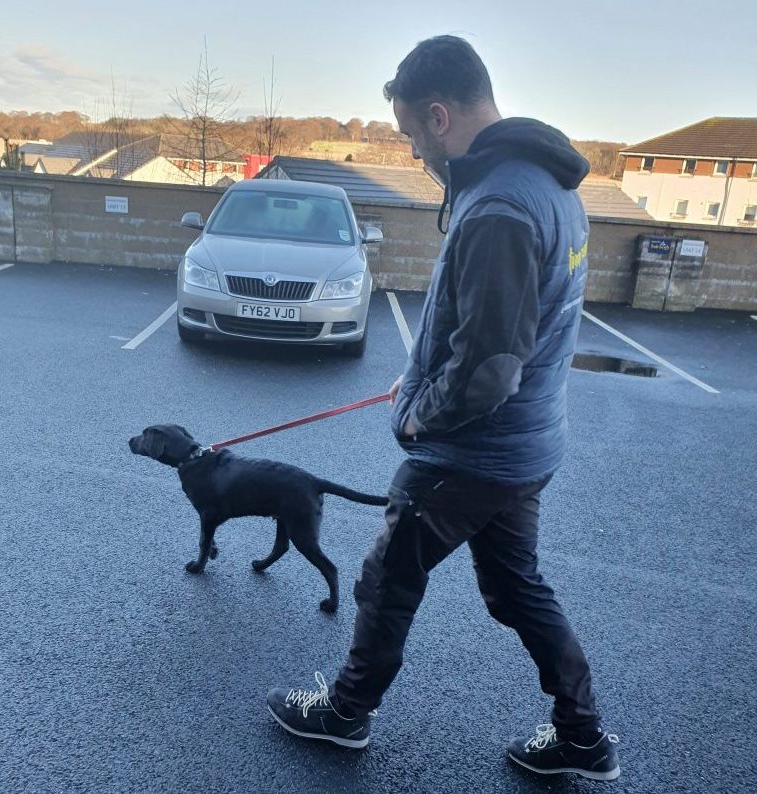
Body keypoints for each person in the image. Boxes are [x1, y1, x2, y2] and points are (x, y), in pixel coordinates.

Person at [265, 35, 620, 783]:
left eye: (407, 136)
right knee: (517, 588)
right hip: (528, 447)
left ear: (437, 115)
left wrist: (422, 412)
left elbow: (490, 368)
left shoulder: (497, 206)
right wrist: (419, 373)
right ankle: (584, 739)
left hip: (473, 453)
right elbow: (495, 328)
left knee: (387, 578)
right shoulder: (549, 185)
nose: (414, 153)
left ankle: (345, 714)